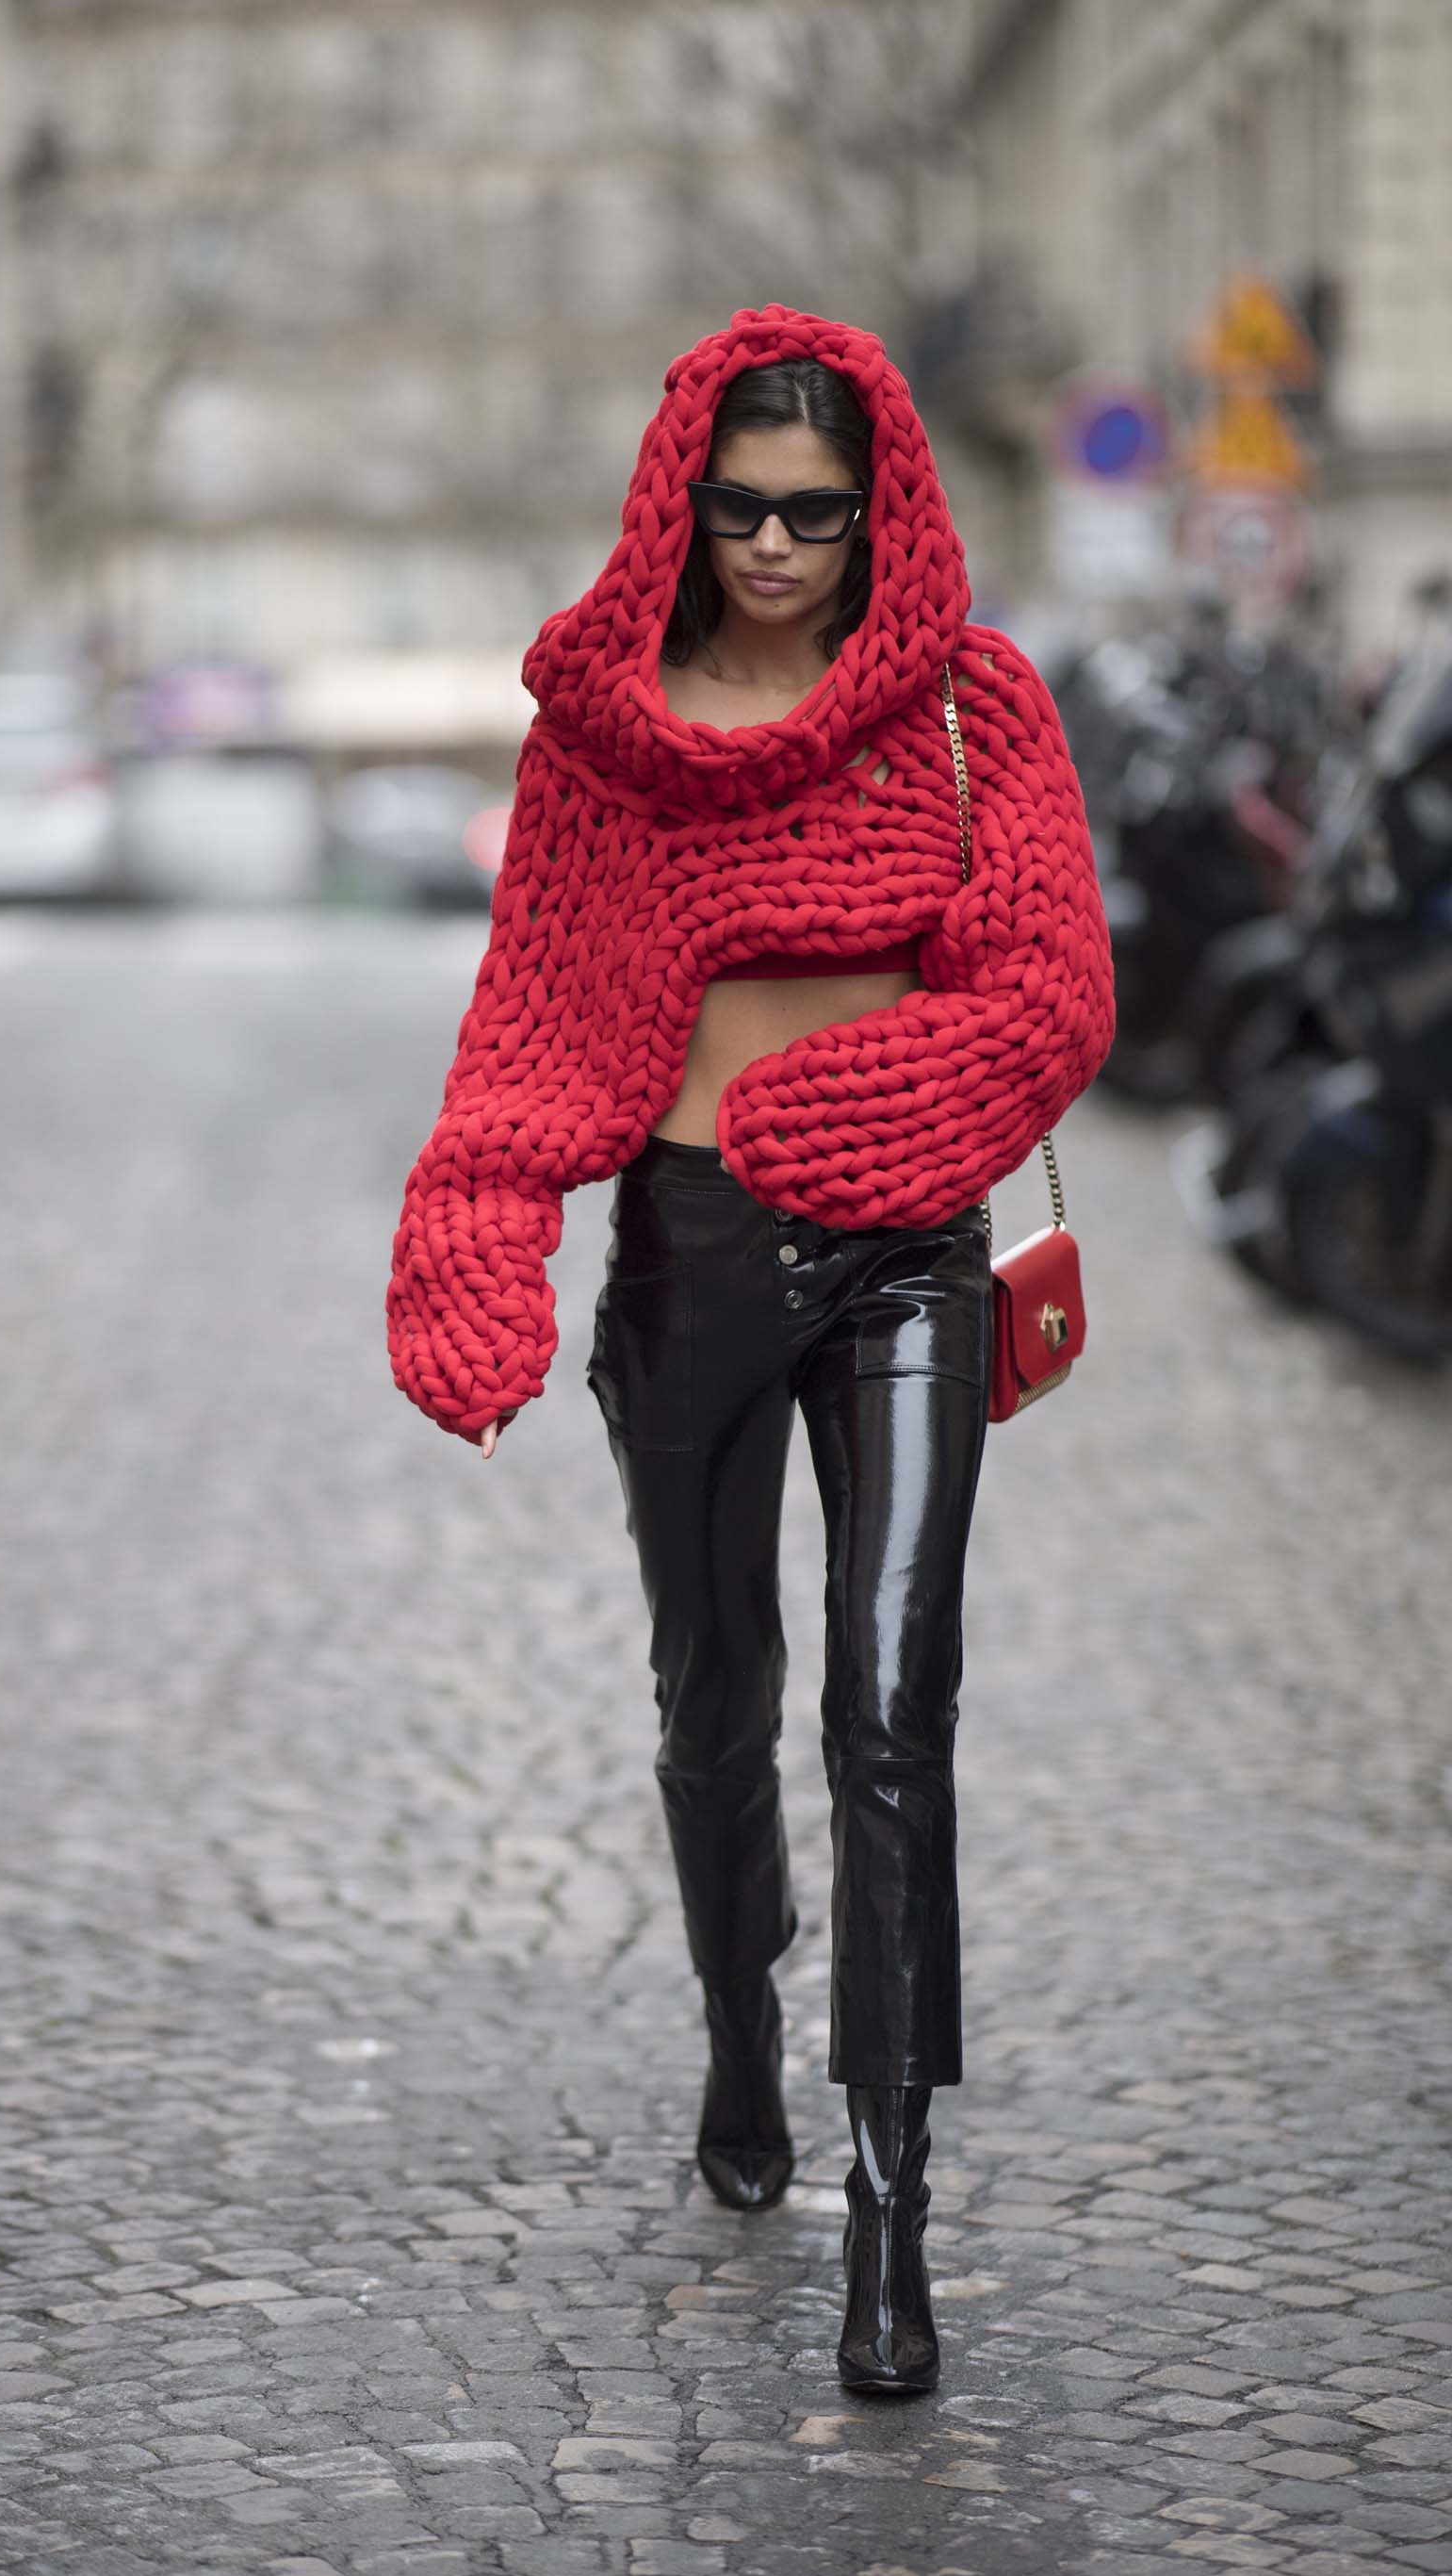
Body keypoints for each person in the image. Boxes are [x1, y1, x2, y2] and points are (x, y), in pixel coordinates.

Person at [386, 308, 1115, 2395]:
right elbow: (529, 1024)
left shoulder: (971, 710)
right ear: (677, 508)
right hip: (689, 1256)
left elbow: (1051, 992)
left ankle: (893, 2217)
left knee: (895, 1715)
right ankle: (738, 2034)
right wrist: (473, 1225)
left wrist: (860, 1118)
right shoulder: (608, 739)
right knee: (717, 1702)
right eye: (743, 510)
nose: (781, 545)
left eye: (819, 509)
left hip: (906, 1259)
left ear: (877, 508)